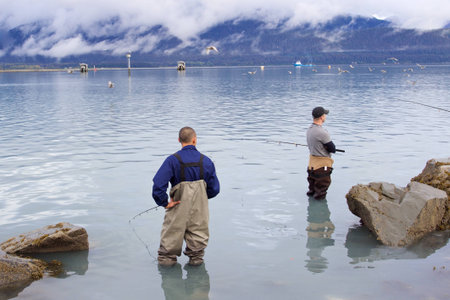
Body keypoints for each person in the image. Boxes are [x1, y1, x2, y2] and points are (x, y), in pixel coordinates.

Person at [152, 127, 220, 267]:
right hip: (199, 209)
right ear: (195, 140)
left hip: (177, 206)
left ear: (179, 140)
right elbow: (215, 189)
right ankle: (196, 282)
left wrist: (164, 203)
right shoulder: (206, 161)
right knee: (197, 251)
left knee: (167, 251)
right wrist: (201, 198)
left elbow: (158, 186)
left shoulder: (172, 160)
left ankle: (170, 279)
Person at [306, 107, 336, 200]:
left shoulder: (309, 130)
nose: (325, 116)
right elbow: (332, 149)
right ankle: (320, 213)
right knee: (320, 195)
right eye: (325, 115)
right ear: (322, 117)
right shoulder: (322, 132)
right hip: (322, 168)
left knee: (312, 192)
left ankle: (312, 212)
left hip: (312, 166)